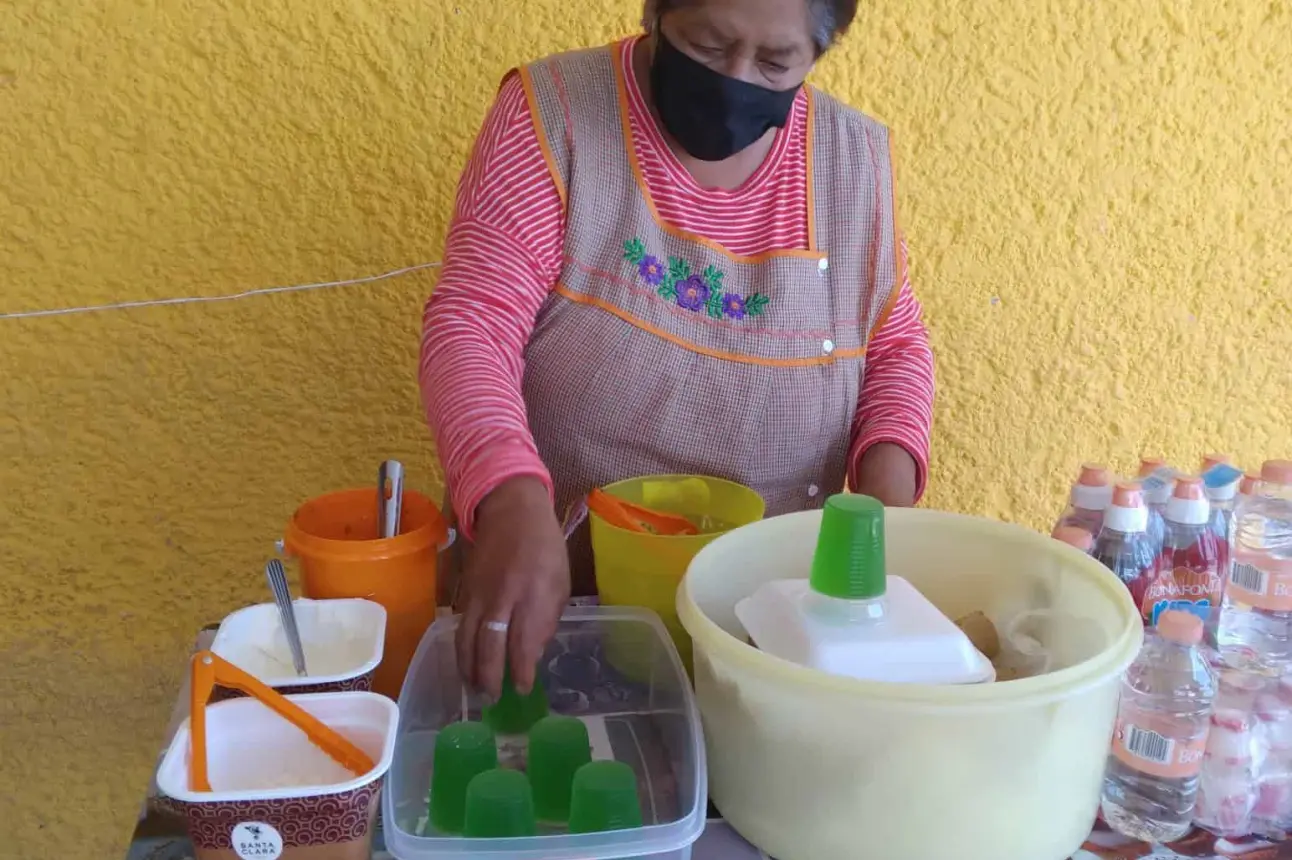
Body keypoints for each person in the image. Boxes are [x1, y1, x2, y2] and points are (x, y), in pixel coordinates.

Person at [420, 0, 935, 699]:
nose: (736, 78)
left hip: (769, 622)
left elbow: (893, 342)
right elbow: (474, 321)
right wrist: (508, 501)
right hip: (562, 601)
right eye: (707, 44)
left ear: (821, 50)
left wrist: (884, 522)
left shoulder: (850, 163)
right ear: (655, 14)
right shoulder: (557, 118)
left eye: (775, 62)